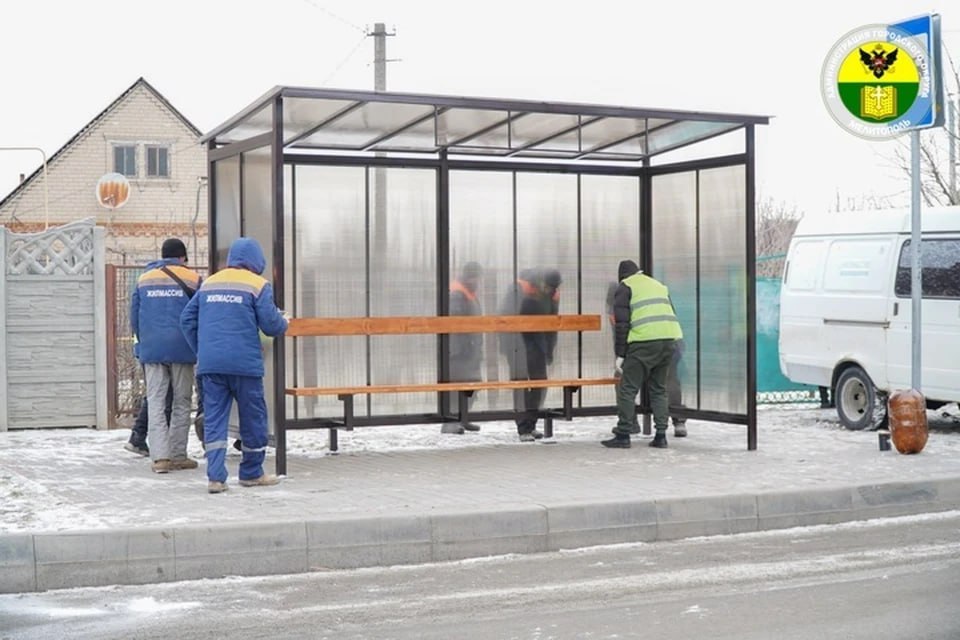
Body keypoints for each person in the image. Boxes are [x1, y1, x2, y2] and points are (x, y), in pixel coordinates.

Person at [181, 237, 289, 494]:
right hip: (245, 366)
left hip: (211, 367)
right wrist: (284, 321)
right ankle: (252, 473)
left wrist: (202, 350)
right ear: (256, 261)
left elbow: (186, 319)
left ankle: (216, 478)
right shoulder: (258, 285)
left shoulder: (210, 283)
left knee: (215, 419)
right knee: (253, 418)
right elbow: (271, 325)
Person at [130, 238, 201, 473]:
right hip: (183, 348)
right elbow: (199, 313)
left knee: (156, 401)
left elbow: (134, 316)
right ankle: (178, 454)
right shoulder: (193, 278)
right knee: (182, 401)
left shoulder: (144, 279)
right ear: (182, 257)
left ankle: (160, 458)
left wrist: (144, 341)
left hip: (152, 349)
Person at [602, 259, 683, 449]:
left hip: (644, 342)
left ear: (622, 276)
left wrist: (620, 354)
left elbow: (622, 325)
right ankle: (661, 436)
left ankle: (624, 433)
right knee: (659, 389)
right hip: (669, 340)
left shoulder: (625, 287)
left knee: (627, 388)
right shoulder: (658, 285)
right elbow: (670, 313)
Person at [499, 267, 562, 442]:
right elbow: (511, 323)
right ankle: (523, 427)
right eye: (549, 286)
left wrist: (549, 350)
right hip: (520, 348)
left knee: (539, 385)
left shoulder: (549, 299)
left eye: (554, 287)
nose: (551, 290)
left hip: (538, 349)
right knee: (522, 386)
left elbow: (552, 327)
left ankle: (531, 424)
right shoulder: (523, 296)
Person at [444, 261, 484, 435]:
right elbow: (457, 323)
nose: (477, 281)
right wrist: (465, 346)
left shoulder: (468, 292)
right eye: (475, 277)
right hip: (459, 351)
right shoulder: (457, 293)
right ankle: (451, 422)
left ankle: (463, 417)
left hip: (471, 349)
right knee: (457, 385)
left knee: (472, 383)